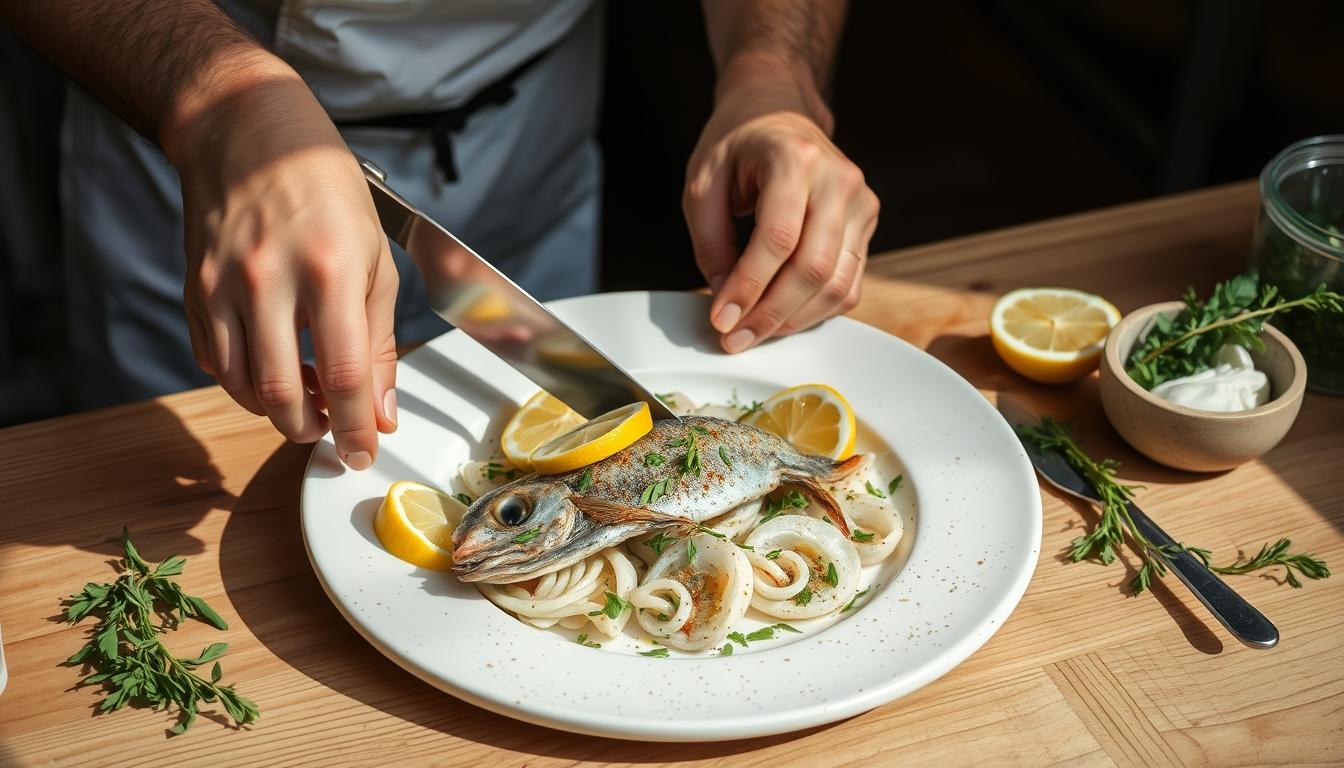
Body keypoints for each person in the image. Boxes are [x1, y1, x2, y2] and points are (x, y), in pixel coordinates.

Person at [1, 0, 878, 470]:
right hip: (190, 143)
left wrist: (775, 70)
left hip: (525, 120)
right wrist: (215, 100)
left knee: (559, 428)